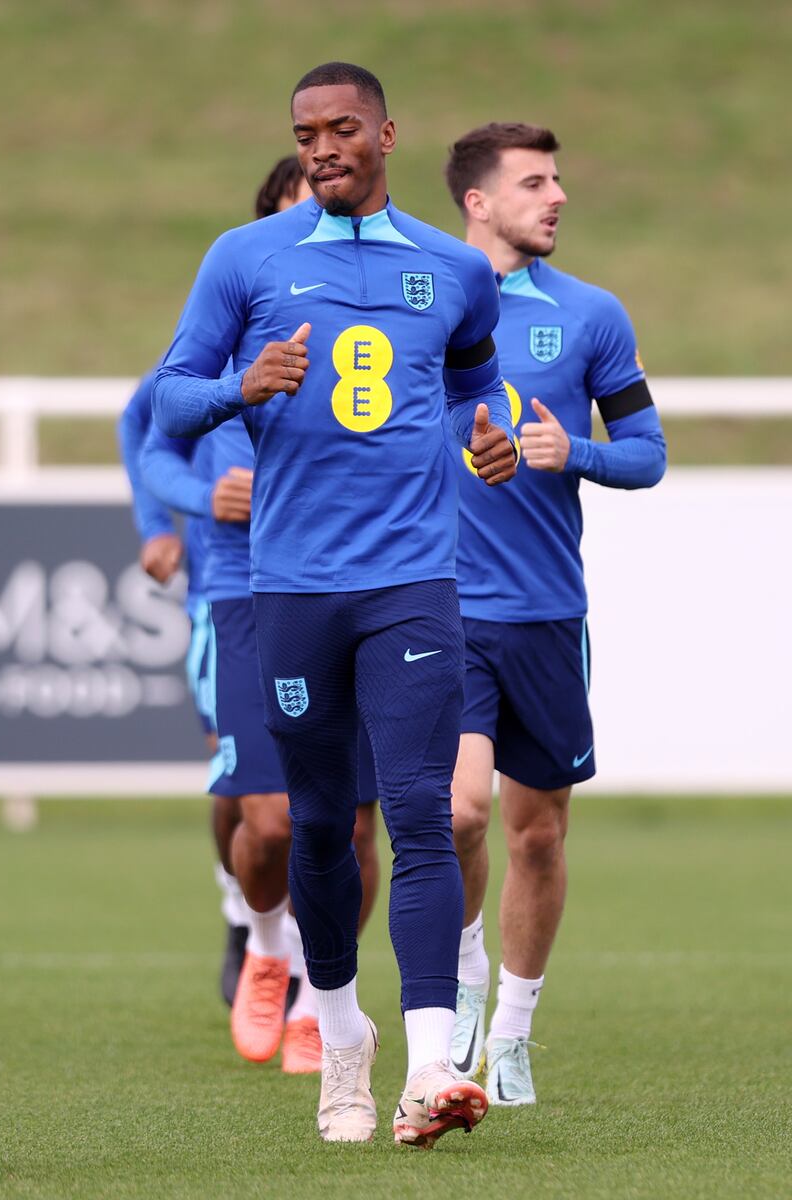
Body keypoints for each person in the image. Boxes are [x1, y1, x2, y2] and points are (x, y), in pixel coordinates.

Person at [153, 62, 517, 1147]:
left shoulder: (453, 269)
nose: (321, 148)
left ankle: (428, 1069)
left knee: (418, 813)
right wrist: (240, 387)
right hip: (293, 590)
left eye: (341, 129)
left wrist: (484, 434)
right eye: (305, 132)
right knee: (319, 824)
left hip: (412, 583)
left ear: (386, 135)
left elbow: (467, 384)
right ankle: (340, 1039)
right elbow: (169, 395)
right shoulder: (243, 257)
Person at [443, 122, 667, 1104]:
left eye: (558, 180)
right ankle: (457, 987)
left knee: (534, 833)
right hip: (436, 606)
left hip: (542, 612)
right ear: (476, 202)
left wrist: (565, 453)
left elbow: (646, 454)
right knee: (454, 813)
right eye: (533, 182)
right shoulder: (419, 304)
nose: (557, 196)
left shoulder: (589, 315)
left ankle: (515, 1030)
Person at [118, 366, 247, 1005]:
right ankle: (243, 911)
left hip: (330, 591)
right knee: (240, 782)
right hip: (226, 592)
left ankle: (310, 975)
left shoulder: (354, 320)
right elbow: (139, 419)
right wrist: (161, 523)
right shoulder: (214, 335)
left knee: (331, 798)